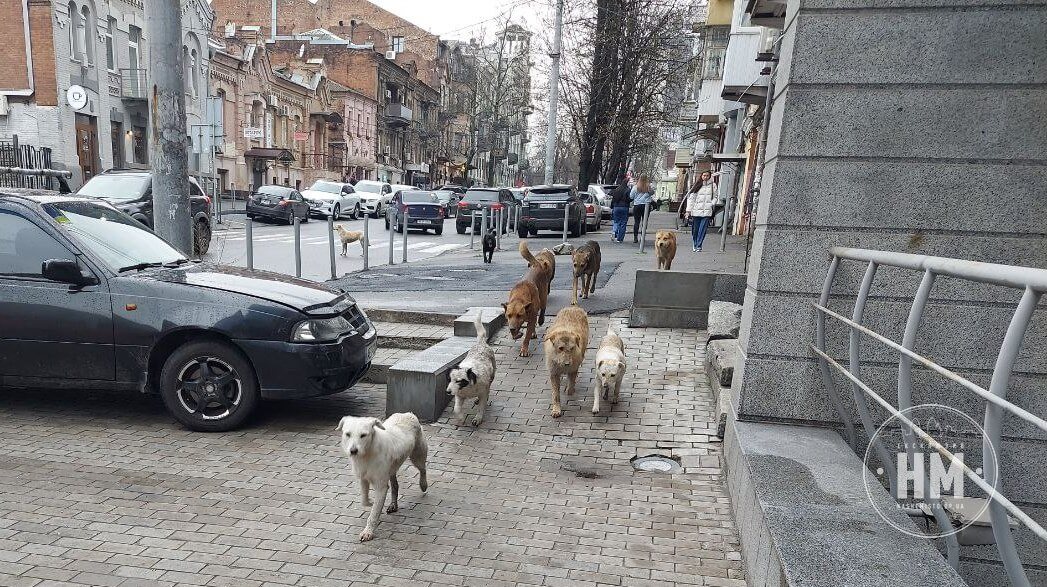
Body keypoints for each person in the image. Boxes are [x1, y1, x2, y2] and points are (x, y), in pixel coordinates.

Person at [685, 171, 717, 252]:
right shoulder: (697, 185)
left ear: (710, 176)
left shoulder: (713, 186)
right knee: (695, 230)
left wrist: (711, 204)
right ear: (701, 176)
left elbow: (715, 197)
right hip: (696, 212)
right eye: (704, 175)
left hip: (706, 212)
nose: (705, 177)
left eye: (707, 175)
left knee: (702, 230)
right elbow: (691, 199)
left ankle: (699, 245)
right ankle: (695, 243)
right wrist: (688, 211)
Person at [630, 175, 654, 243]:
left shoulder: (635, 187)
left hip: (637, 205)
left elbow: (631, 196)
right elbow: (652, 193)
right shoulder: (648, 187)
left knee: (636, 222)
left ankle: (635, 237)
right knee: (644, 222)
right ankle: (642, 237)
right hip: (646, 206)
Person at [609, 177, 632, 243]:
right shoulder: (628, 190)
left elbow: (613, 199)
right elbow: (629, 199)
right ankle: (620, 239)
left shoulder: (617, 189)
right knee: (623, 223)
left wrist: (612, 206)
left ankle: (614, 231)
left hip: (616, 207)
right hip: (624, 207)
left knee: (616, 221)